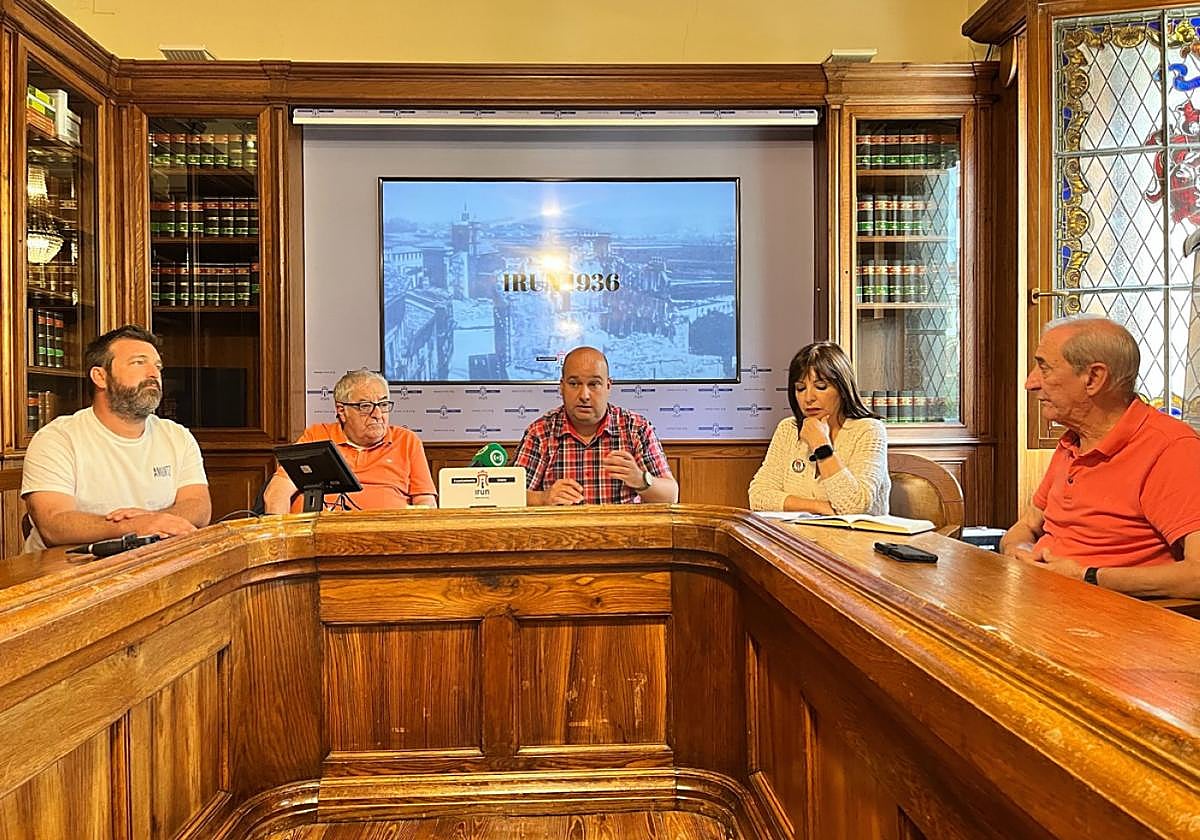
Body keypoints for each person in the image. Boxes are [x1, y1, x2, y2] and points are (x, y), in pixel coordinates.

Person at [1000, 315, 1200, 598]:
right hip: (1043, 600)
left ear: (1094, 378)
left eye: (1043, 368)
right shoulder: (1073, 439)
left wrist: (1088, 577)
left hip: (1116, 624)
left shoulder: (1172, 448)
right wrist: (1018, 551)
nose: (1030, 383)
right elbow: (1026, 526)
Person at [21, 325, 211, 551]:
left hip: (151, 565)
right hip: (67, 571)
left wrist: (152, 520)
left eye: (158, 366)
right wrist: (137, 526)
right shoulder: (57, 439)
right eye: (139, 363)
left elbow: (199, 507)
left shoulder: (177, 436)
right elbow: (54, 524)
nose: (153, 374)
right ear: (100, 377)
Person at [513, 347, 679, 505]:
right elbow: (507, 494)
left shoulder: (636, 428)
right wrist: (543, 498)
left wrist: (640, 480)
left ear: (608, 386)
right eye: (574, 384)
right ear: (561, 387)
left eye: (594, 384)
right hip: (562, 532)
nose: (584, 395)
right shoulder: (540, 433)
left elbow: (671, 495)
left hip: (623, 532)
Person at [262, 368, 436, 513]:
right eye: (365, 406)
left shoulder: (406, 441)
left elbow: (425, 502)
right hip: (317, 542)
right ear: (342, 411)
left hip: (387, 542)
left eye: (383, 405)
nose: (378, 415)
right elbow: (277, 493)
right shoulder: (316, 436)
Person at [749, 341, 889, 515]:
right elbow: (759, 497)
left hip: (858, 540)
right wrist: (819, 507)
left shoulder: (869, 431)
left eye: (821, 387)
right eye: (800, 389)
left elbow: (854, 506)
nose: (808, 398)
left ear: (842, 389)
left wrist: (821, 444)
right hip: (800, 538)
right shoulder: (788, 429)